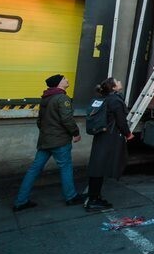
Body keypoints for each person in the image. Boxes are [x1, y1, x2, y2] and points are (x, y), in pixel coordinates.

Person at [13, 74, 82, 211]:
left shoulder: (45, 98)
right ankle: (71, 197)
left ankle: (20, 201)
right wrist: (75, 133)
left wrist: (47, 133)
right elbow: (67, 119)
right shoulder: (62, 98)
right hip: (60, 141)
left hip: (45, 141)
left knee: (34, 170)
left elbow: (39, 121)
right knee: (65, 168)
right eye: (64, 79)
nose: (67, 80)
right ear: (58, 83)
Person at [84, 77, 134, 211]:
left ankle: (95, 196)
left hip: (101, 135)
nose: (120, 82)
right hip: (110, 137)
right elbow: (121, 121)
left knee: (97, 165)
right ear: (113, 87)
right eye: (117, 81)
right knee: (100, 167)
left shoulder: (104, 98)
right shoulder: (115, 101)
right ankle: (93, 200)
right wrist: (128, 134)